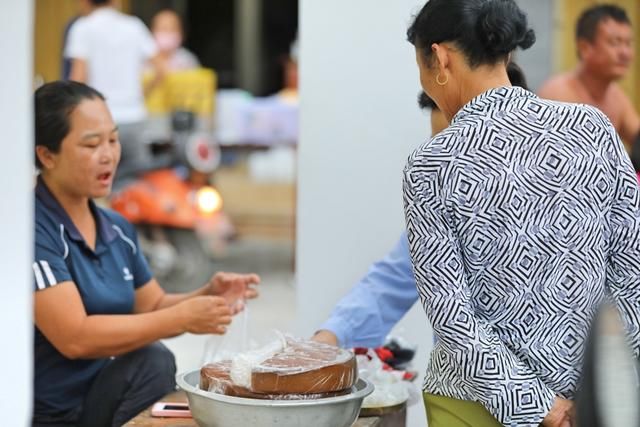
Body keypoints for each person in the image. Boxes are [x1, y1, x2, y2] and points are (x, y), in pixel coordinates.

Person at [404, 0, 640, 426]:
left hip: (473, 404)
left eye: (421, 65)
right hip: (594, 399)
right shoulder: (593, 128)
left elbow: (451, 313)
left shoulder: (430, 164)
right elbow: (631, 272)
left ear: (439, 57)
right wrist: (608, 384)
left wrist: (536, 405)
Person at [32, 80, 260, 427]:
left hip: (99, 396)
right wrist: (182, 318)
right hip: (50, 414)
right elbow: (74, 337)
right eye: (91, 144)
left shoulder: (117, 228)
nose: (108, 154)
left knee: (153, 364)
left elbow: (152, 306)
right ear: (46, 155)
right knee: (152, 361)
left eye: (113, 139)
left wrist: (207, 296)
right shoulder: (30, 229)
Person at [313, 62, 529, 349]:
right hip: (463, 388)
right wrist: (328, 339)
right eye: (436, 148)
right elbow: (392, 280)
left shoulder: (566, 196)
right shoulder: (445, 211)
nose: (444, 166)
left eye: (454, 151)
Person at [66, 0, 166, 183]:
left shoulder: (83, 28)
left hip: (100, 122)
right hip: (135, 118)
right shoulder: (134, 26)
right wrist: (142, 94)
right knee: (138, 186)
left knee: (100, 185)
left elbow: (77, 81)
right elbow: (161, 68)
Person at [538, 4, 639, 146]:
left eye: (628, 44)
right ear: (585, 48)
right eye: (615, 43)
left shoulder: (617, 97)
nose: (625, 53)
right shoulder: (557, 95)